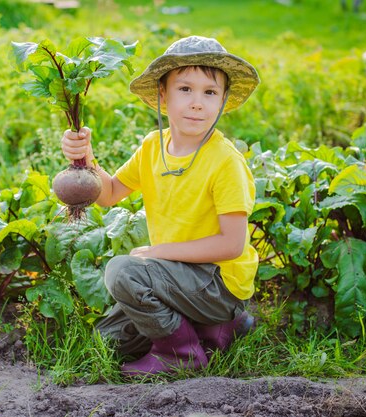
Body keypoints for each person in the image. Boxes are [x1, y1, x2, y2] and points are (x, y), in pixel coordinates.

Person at [61, 36, 260, 376]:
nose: (197, 103)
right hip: (179, 276)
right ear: (163, 96)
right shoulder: (154, 146)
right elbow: (109, 193)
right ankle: (218, 330)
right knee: (108, 342)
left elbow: (231, 244)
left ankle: (183, 355)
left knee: (122, 272)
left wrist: (158, 253)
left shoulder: (226, 162)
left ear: (223, 101)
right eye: (185, 89)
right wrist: (85, 157)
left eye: (210, 93)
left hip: (218, 283)